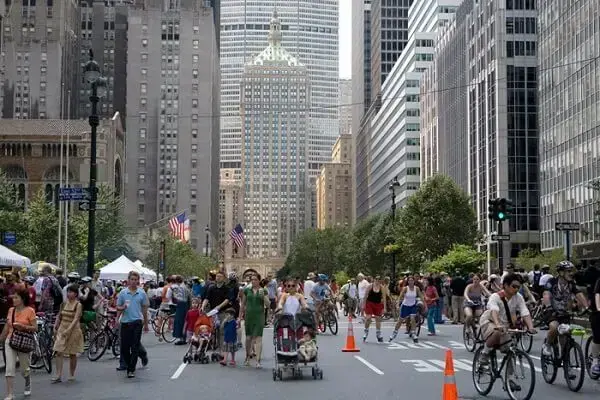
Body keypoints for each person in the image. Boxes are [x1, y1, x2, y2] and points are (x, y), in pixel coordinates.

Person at [478, 273, 536, 366]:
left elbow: (524, 311)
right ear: (505, 285)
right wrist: (497, 324)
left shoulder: (518, 297)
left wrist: (530, 327)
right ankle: (485, 353)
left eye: (518, 287)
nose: (516, 289)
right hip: (490, 321)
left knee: (510, 349)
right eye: (514, 286)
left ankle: (510, 378)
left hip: (505, 325)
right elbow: (494, 311)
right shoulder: (495, 297)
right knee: (497, 332)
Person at [541, 260, 588, 357]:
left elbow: (579, 294)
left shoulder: (571, 284)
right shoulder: (552, 282)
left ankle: (565, 360)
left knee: (564, 335)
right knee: (554, 327)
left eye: (571, 271)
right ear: (561, 272)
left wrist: (586, 307)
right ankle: (548, 345)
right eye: (568, 271)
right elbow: (546, 294)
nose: (571, 273)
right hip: (552, 312)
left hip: (564, 312)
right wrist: (549, 307)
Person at [0, 287, 37, 399]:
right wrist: (1, 338)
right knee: (9, 368)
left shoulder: (30, 311)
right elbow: (7, 326)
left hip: (23, 342)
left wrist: (23, 326)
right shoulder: (11, 310)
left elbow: (35, 328)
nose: (13, 299)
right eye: (13, 297)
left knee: (24, 369)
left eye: (16, 297)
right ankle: (10, 394)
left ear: (22, 299)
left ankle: (27, 382)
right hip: (10, 340)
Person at [116, 271, 149, 379]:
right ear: (128, 280)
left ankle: (131, 369)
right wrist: (119, 314)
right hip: (125, 322)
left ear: (138, 281)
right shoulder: (123, 293)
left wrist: (146, 323)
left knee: (134, 346)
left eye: (136, 280)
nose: (134, 282)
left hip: (137, 322)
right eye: (132, 279)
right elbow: (118, 307)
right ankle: (133, 360)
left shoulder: (142, 293)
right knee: (125, 348)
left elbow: (144, 308)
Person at [52, 285, 84, 383]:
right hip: (62, 328)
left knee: (72, 353)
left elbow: (76, 319)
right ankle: (58, 375)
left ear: (76, 294)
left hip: (73, 330)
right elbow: (59, 315)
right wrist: (55, 325)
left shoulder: (78, 305)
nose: (69, 294)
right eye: (68, 292)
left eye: (71, 292)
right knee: (58, 351)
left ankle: (71, 374)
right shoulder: (64, 304)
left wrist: (69, 329)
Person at [240, 273, 268, 368]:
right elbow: (243, 304)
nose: (253, 281)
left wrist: (263, 297)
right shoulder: (247, 290)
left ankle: (258, 361)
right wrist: (239, 317)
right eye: (252, 279)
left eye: (255, 279)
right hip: (249, 316)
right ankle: (247, 357)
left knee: (258, 338)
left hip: (259, 316)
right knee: (248, 338)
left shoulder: (263, 290)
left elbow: (268, 305)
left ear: (259, 280)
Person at [390, 276, 424, 342]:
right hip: (405, 306)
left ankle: (413, 333)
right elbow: (400, 297)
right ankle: (395, 332)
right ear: (408, 282)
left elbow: (421, 296)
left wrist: (424, 303)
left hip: (413, 306)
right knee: (400, 320)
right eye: (409, 280)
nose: (411, 282)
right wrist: (397, 304)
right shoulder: (405, 288)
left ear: (414, 281)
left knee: (412, 318)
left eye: (412, 280)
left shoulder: (416, 288)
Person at [362, 276, 387, 343]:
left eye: (379, 279)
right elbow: (365, 296)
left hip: (378, 304)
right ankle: (366, 332)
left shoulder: (382, 287)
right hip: (369, 303)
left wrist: (384, 308)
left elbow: (384, 298)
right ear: (374, 279)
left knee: (378, 319)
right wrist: (363, 305)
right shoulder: (370, 286)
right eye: (376, 279)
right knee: (368, 318)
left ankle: (378, 335)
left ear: (380, 281)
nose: (377, 281)